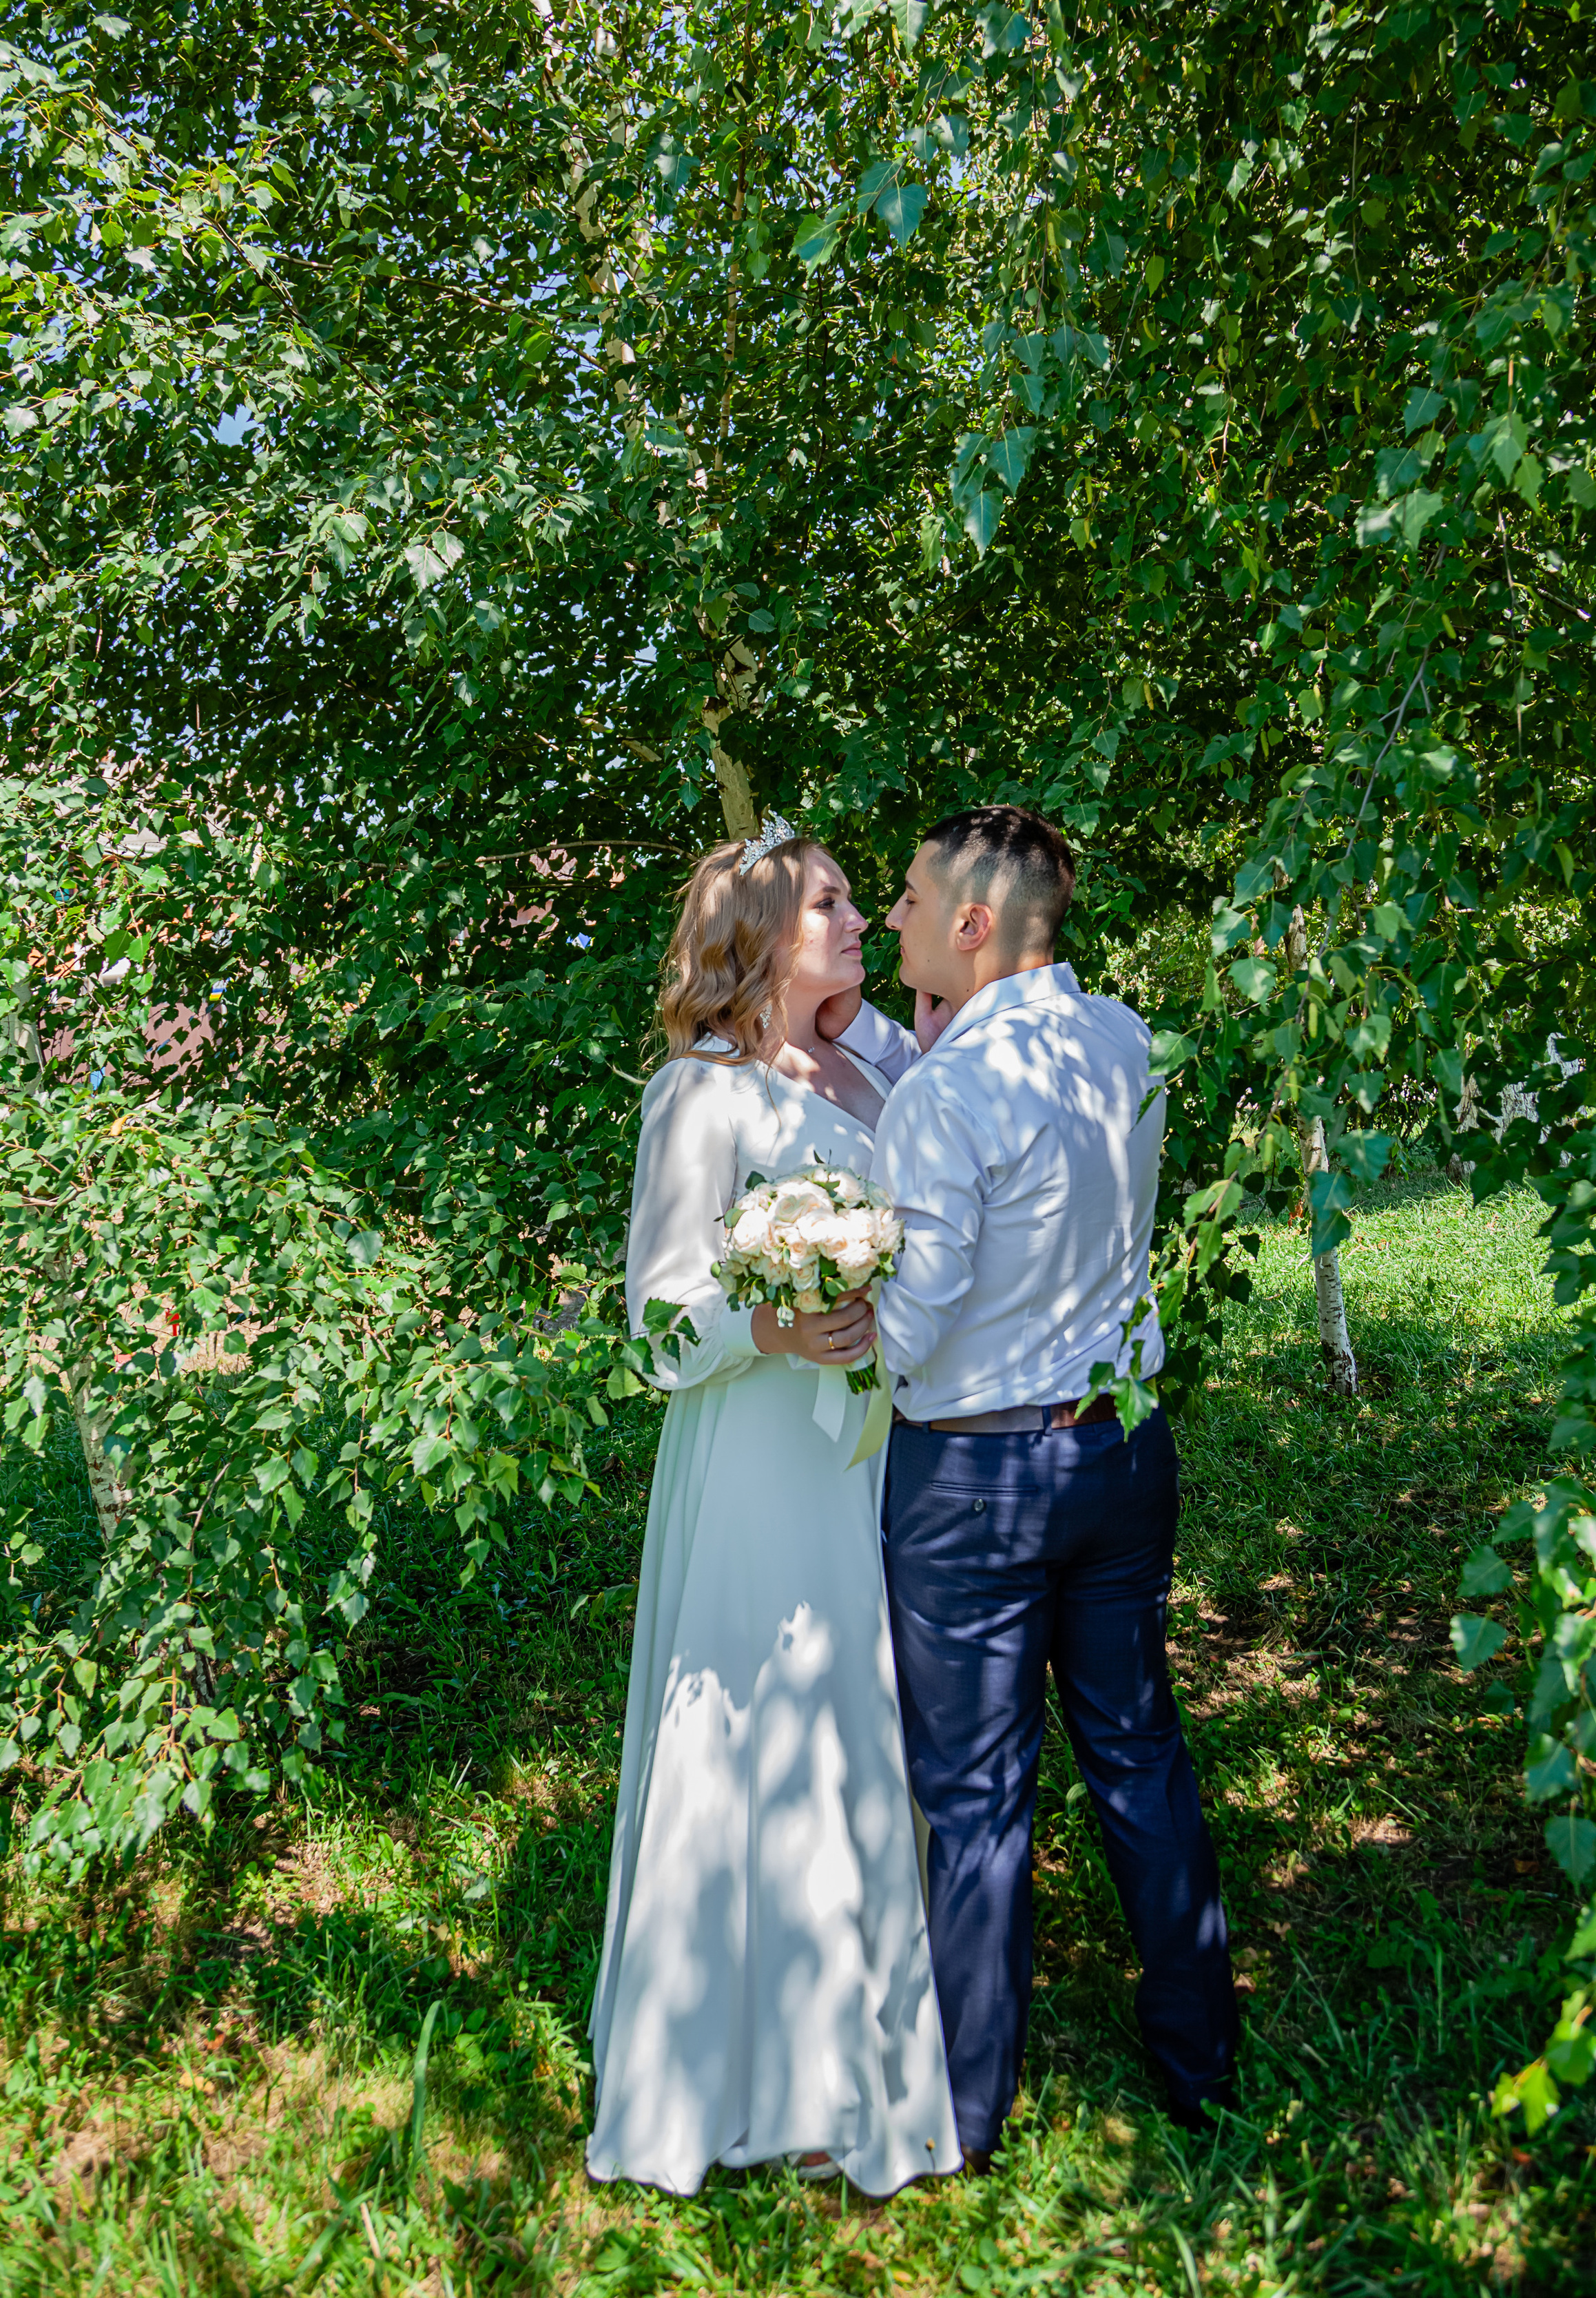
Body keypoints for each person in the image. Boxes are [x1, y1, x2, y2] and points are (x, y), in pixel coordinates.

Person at [831, 806, 1239, 2163]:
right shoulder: (1122, 1038)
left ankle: (963, 2111)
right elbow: (1018, 1139)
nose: (884, 919)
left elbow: (921, 1321)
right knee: (1137, 1753)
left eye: (900, 899)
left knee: (975, 1797)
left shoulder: (947, 1096)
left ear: (969, 925)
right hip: (1121, 1454)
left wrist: (831, 1317)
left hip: (973, 1480)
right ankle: (1199, 2064)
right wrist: (879, 1045)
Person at [585, 818, 961, 2199]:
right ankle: (737, 2081)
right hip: (755, 1455)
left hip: (867, 1455)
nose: (859, 917)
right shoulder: (701, 1097)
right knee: (754, 1730)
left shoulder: (874, 1067)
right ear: (757, 938)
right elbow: (652, 1324)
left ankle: (844, 2071)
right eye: (830, 904)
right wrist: (770, 1323)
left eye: (860, 900)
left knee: (852, 1728)